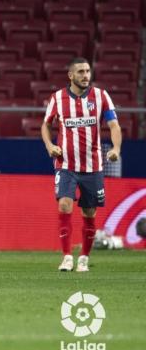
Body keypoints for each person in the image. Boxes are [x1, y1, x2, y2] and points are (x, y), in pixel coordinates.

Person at [41, 57, 122, 272]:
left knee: (89, 212)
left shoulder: (101, 96)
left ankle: (84, 257)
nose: (86, 75)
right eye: (80, 72)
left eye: (87, 71)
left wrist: (115, 148)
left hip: (92, 167)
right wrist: (50, 145)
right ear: (71, 75)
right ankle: (67, 256)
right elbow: (46, 125)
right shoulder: (57, 98)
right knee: (64, 204)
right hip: (65, 164)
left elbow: (114, 125)